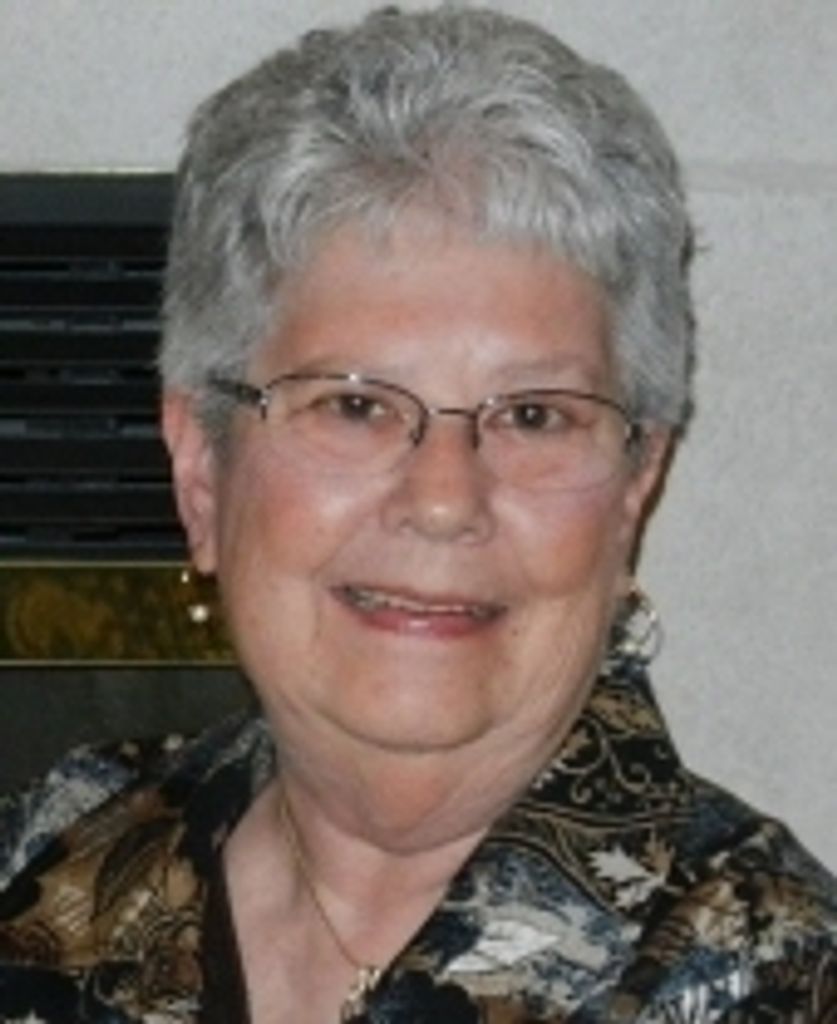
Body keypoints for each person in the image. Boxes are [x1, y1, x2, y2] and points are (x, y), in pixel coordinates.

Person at [0, 5, 835, 1022]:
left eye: (534, 415)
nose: (443, 499)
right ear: (202, 469)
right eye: (353, 406)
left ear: (634, 489)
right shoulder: (54, 855)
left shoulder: (772, 973)